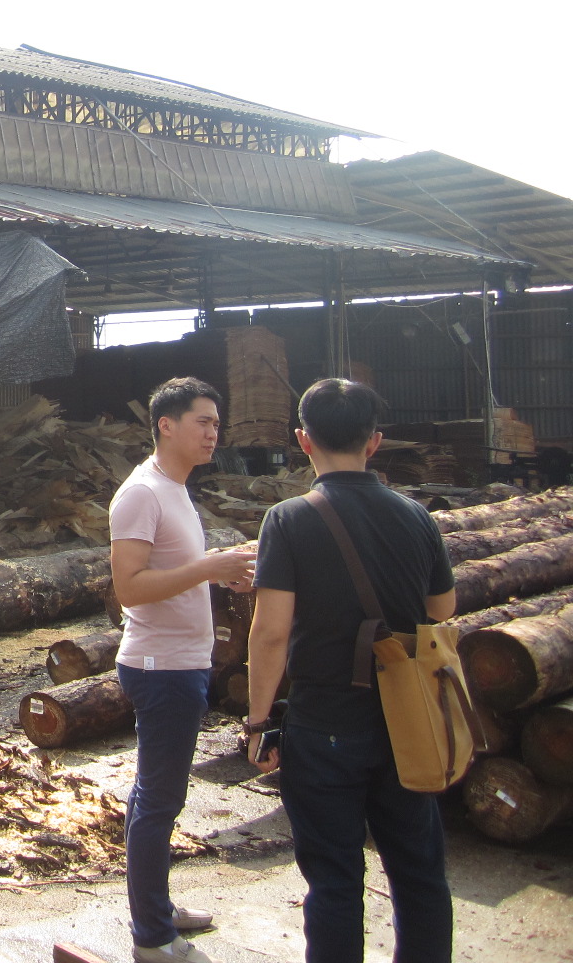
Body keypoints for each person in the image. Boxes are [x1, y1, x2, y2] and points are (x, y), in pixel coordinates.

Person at [246, 378, 455, 962]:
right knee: (419, 874)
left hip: (324, 727)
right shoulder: (417, 517)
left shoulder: (288, 519)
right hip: (407, 722)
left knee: (335, 882)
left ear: (302, 440)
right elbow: (442, 610)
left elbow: (270, 632)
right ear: (375, 441)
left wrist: (258, 722)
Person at [110, 377, 256, 963]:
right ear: (165, 425)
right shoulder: (141, 493)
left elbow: (174, 572)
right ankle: (152, 937)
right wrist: (208, 568)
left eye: (217, 423)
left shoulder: (174, 488)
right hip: (160, 667)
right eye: (203, 421)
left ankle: (157, 908)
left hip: (181, 663)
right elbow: (129, 587)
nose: (213, 433)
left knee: (155, 795)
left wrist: (219, 574)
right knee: (159, 799)